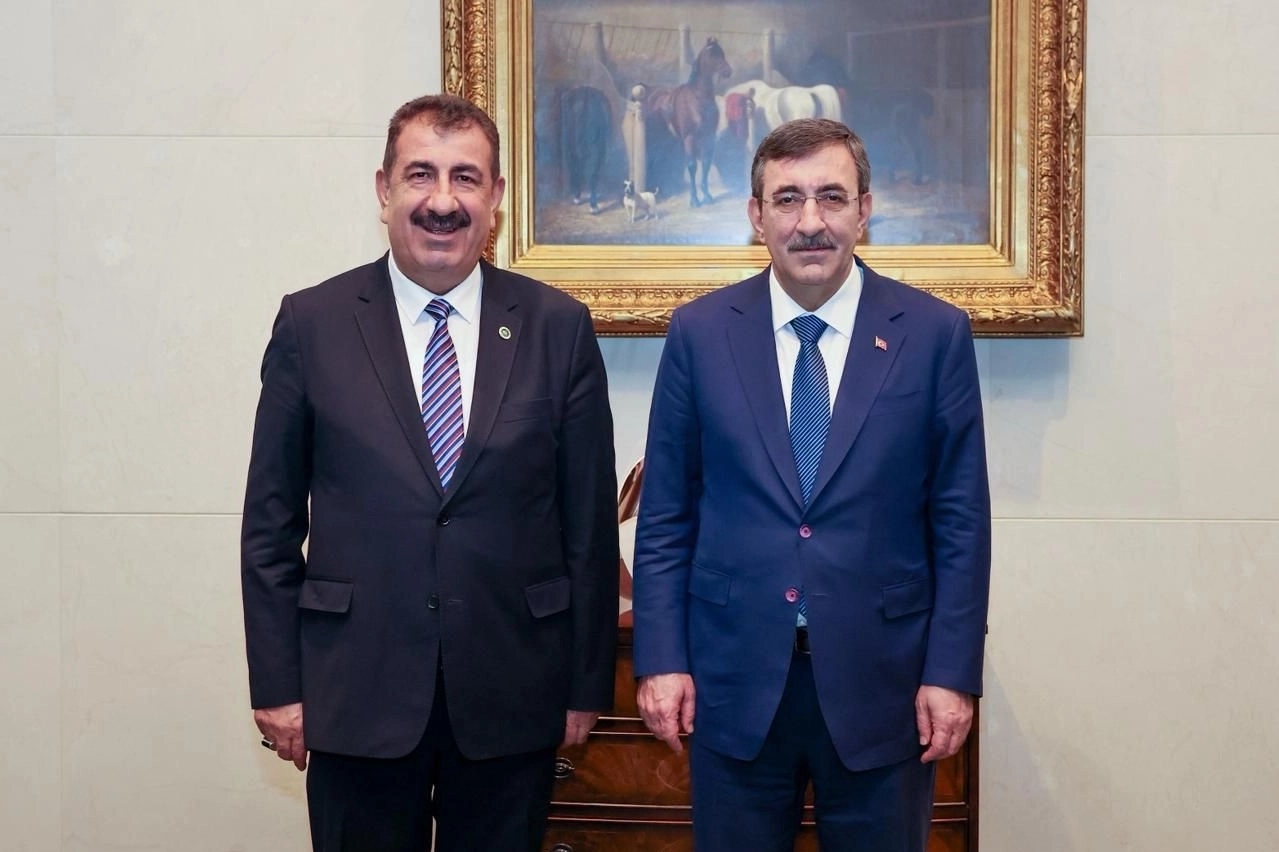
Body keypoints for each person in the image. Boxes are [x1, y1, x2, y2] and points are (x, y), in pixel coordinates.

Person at [240, 93, 619, 852]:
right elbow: (269, 527)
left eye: (464, 178)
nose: (442, 201)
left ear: (496, 197)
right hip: (354, 692)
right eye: (420, 175)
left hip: (513, 691)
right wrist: (279, 685)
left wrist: (585, 686)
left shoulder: (558, 327)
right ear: (383, 189)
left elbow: (587, 530)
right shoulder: (312, 323)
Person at [631, 118, 991, 852]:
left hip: (885, 688)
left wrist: (952, 673)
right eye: (787, 199)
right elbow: (667, 514)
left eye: (831, 197)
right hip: (733, 683)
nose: (810, 222)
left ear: (864, 210)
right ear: (756, 216)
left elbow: (960, 521)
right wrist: (661, 659)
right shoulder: (699, 333)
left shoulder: (933, 334)